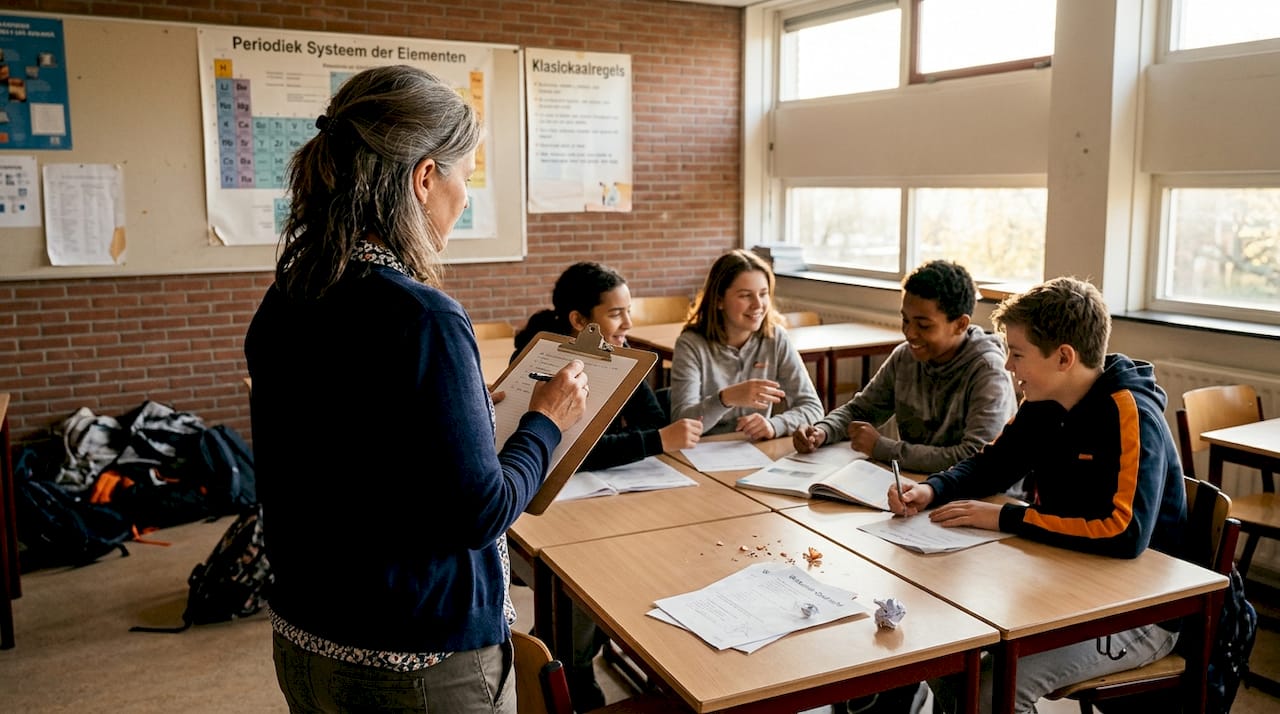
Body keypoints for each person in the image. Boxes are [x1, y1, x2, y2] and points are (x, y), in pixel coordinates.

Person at [245, 65, 588, 714]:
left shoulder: (287, 296)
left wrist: (457, 412)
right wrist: (545, 420)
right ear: (425, 177)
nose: (465, 196)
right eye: (465, 176)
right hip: (415, 662)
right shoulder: (423, 317)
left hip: (305, 639)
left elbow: (349, 444)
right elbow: (480, 511)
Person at [889, 277, 1187, 714]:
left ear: (1063, 357)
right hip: (1070, 581)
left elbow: (1124, 534)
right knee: (947, 660)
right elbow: (992, 464)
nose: (1009, 365)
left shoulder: (1130, 414)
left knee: (990, 693)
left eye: (1018, 353)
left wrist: (1006, 518)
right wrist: (931, 489)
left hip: (1141, 613)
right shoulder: (1045, 402)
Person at [513, 262, 702, 708]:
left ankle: (560, 661)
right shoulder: (539, 359)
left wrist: (646, 437)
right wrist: (649, 441)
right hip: (543, 515)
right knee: (583, 595)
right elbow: (567, 450)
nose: (629, 324)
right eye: (616, 314)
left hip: (609, 503)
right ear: (579, 321)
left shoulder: (618, 351)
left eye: (629, 311)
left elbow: (652, 422)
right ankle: (572, 680)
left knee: (628, 576)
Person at [793, 260, 1016, 474]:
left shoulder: (988, 371)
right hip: (919, 483)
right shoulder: (905, 357)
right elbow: (860, 410)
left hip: (980, 497)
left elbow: (974, 457)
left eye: (923, 325)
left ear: (960, 324)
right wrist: (822, 430)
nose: (909, 333)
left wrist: (883, 448)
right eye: (905, 320)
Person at [670, 249, 824, 440]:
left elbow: (813, 408)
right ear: (719, 301)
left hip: (757, 450)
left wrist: (773, 425)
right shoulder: (691, 345)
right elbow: (681, 423)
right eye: (745, 295)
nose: (758, 305)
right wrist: (725, 399)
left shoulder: (776, 338)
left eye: (763, 294)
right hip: (702, 452)